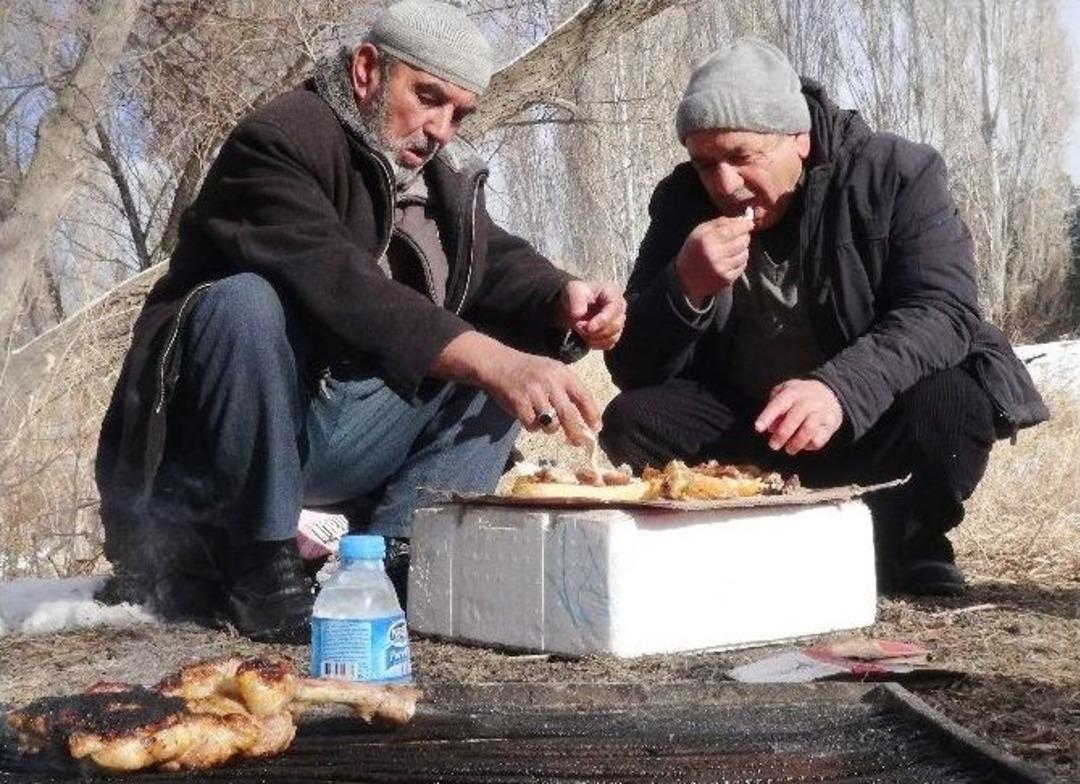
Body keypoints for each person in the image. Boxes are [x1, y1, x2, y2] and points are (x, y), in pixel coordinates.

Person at [95, 0, 625, 642]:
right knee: (242, 304)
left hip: (331, 428)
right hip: (220, 446)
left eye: (459, 113)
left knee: (508, 353)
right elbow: (342, 285)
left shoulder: (442, 176)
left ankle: (398, 560)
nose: (441, 129)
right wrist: (490, 359)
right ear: (368, 70)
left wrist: (562, 297)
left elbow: (494, 262)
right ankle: (260, 564)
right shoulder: (280, 138)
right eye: (428, 97)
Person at [601, 38, 1046, 596]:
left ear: (799, 139)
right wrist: (683, 288)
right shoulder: (680, 202)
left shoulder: (895, 174)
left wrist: (838, 390)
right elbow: (633, 366)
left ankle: (907, 543)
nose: (723, 185)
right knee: (632, 418)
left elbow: (943, 311)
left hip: (870, 420)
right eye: (705, 163)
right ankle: (747, 542)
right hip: (755, 429)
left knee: (952, 400)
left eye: (741, 157)